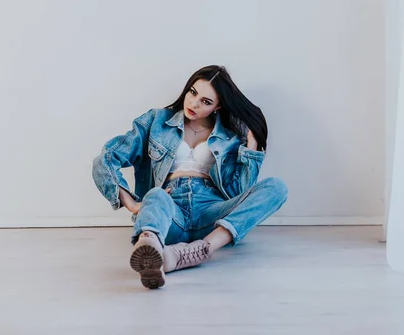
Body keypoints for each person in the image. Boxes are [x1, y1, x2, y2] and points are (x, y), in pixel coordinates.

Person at [92, 65, 288, 289]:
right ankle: (151, 247)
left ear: (218, 106)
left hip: (211, 214)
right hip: (169, 211)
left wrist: (251, 150)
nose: (194, 104)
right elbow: (105, 160)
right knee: (155, 195)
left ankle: (200, 249)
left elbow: (238, 194)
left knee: (277, 187)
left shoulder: (229, 138)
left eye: (206, 101)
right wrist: (133, 205)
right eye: (193, 93)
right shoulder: (156, 122)